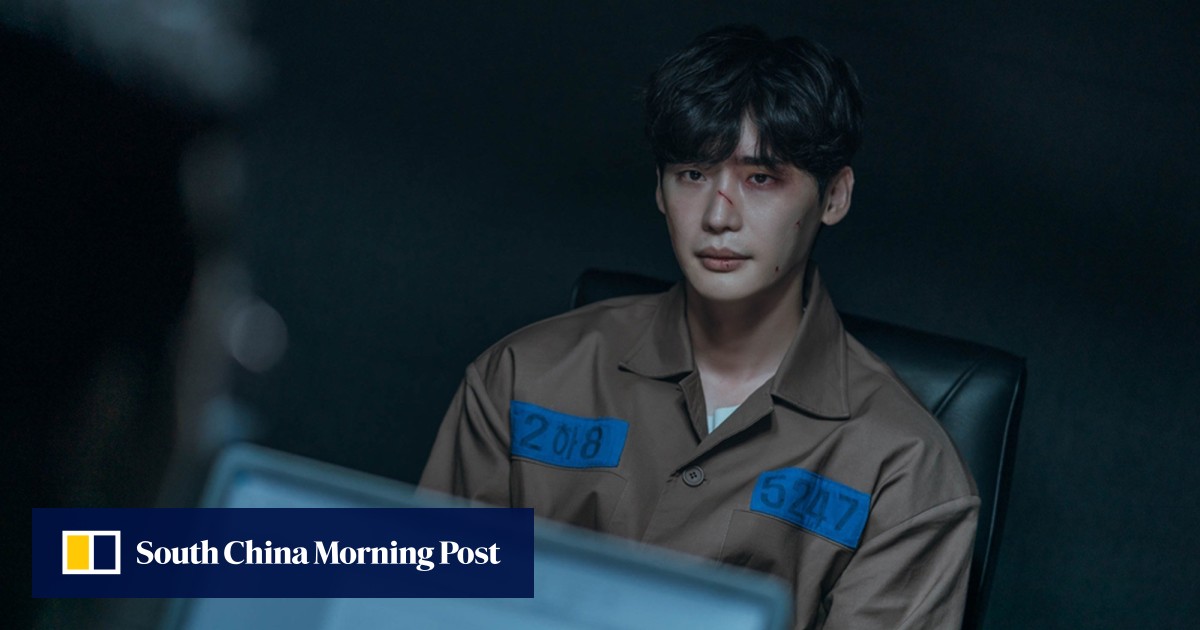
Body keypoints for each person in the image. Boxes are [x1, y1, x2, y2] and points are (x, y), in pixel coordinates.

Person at [421, 24, 978, 629]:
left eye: (760, 178)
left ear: (834, 197)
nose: (717, 215)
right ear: (659, 190)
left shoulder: (905, 468)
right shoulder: (521, 376)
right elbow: (423, 607)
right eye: (692, 174)